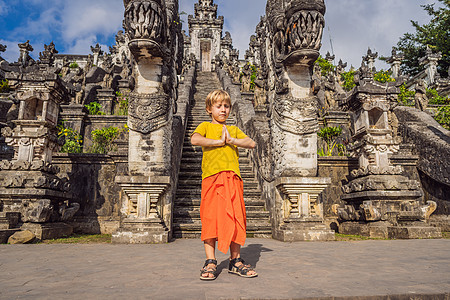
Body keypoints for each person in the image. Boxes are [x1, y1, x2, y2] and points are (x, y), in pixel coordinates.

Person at [191, 89, 258, 281]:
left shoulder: (233, 129)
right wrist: (217, 142)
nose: (223, 110)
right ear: (209, 109)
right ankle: (210, 261)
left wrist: (231, 140)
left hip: (233, 179)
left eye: (226, 106)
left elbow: (251, 143)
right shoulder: (205, 126)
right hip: (212, 179)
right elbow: (194, 139)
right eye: (218, 106)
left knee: (236, 218)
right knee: (210, 218)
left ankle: (235, 260)